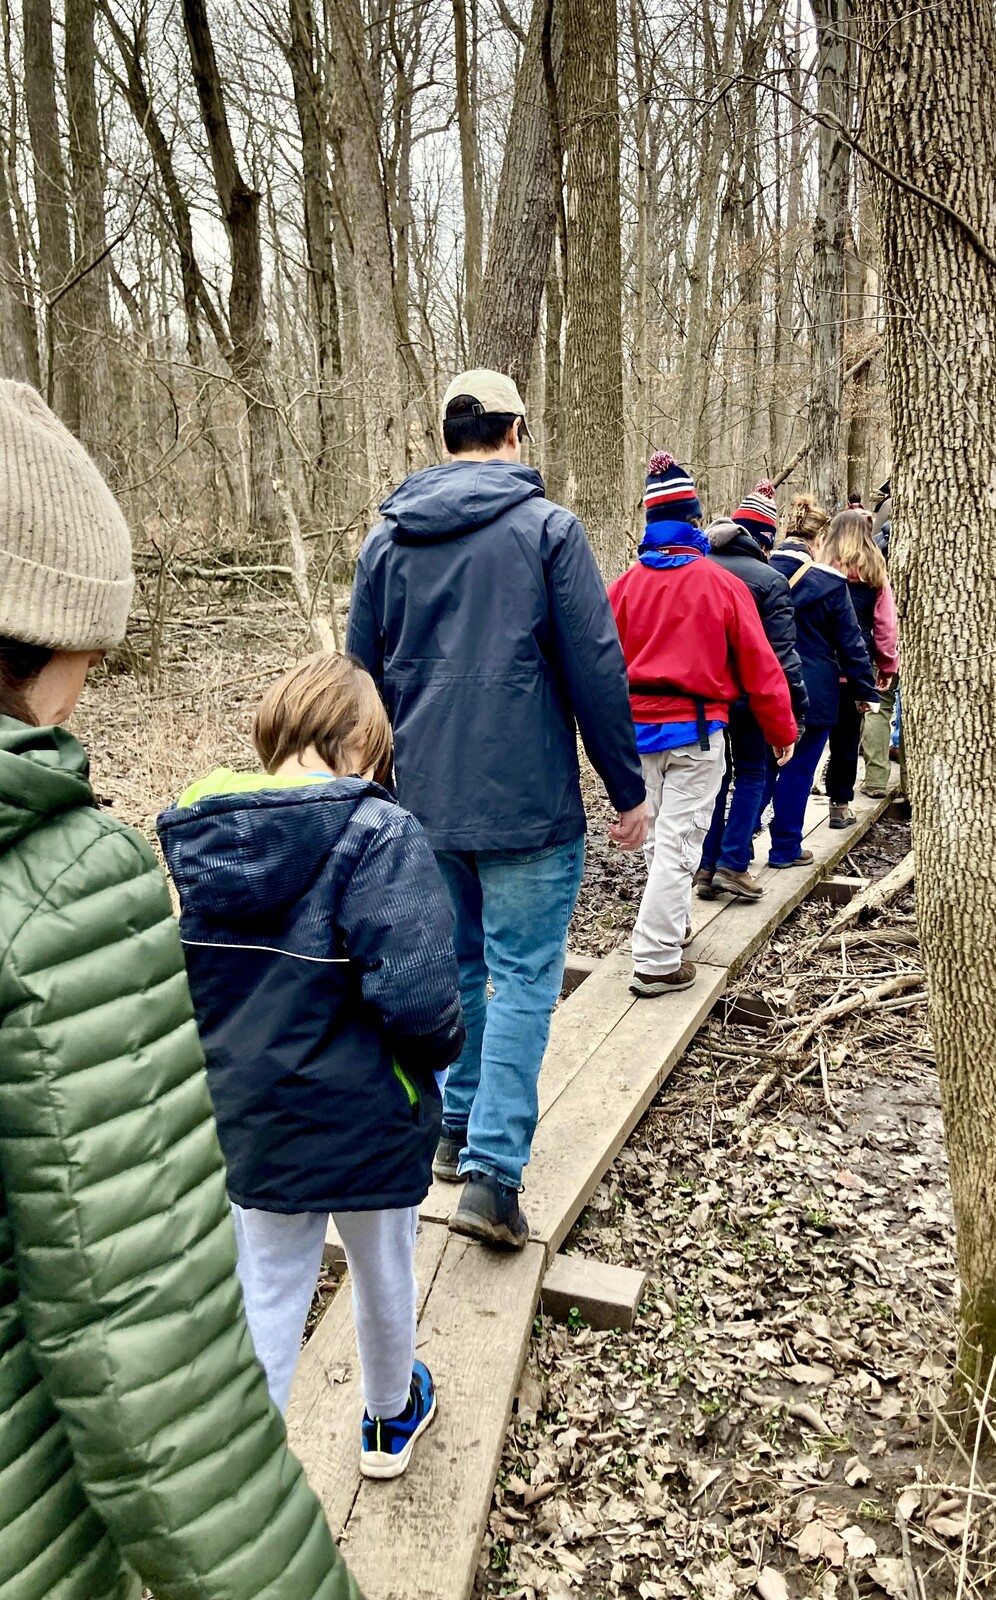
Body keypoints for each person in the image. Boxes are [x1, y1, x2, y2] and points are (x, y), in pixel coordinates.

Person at [0, 381, 358, 1600]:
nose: (78, 703)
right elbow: (151, 1364)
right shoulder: (55, 893)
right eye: (82, 665)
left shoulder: (193, 830)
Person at [345, 369, 646, 1253]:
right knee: (518, 976)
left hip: (423, 801)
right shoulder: (548, 531)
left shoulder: (384, 545)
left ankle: (455, 1124)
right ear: (516, 434)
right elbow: (595, 665)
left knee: (460, 963)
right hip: (526, 806)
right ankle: (492, 1173)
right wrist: (626, 787)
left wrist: (366, 792)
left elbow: (356, 680)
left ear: (444, 436)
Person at [158, 654, 464, 1480]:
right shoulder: (377, 831)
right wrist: (438, 1058)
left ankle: (242, 1478)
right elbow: (420, 996)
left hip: (248, 1110)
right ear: (364, 741)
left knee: (265, 1290)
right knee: (384, 1269)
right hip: (368, 1108)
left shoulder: (205, 826)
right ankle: (390, 1418)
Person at [609, 452, 797, 975]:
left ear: (649, 525)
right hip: (695, 734)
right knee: (680, 841)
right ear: (694, 521)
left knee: (659, 837)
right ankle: (656, 959)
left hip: (635, 735)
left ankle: (674, 923)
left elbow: (596, 667)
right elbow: (762, 668)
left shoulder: (622, 589)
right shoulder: (722, 586)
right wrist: (782, 729)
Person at [698, 497, 809, 898]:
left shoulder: (699, 569)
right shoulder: (769, 580)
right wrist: (796, 709)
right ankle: (732, 863)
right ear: (764, 539)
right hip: (749, 696)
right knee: (750, 773)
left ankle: (706, 864)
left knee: (714, 778)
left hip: (705, 696)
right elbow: (781, 655)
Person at [762, 495, 879, 867]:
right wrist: (865, 690)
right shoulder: (829, 583)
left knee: (759, 770)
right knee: (798, 771)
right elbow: (851, 644)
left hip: (764, 685)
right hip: (816, 691)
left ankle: (735, 850)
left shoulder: (760, 572)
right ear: (818, 540)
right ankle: (785, 848)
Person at [819, 510, 899, 819]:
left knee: (811, 737)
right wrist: (887, 666)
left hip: (819, 667)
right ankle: (839, 804)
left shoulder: (819, 571)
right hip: (854, 667)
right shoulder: (875, 574)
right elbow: (885, 627)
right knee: (847, 738)